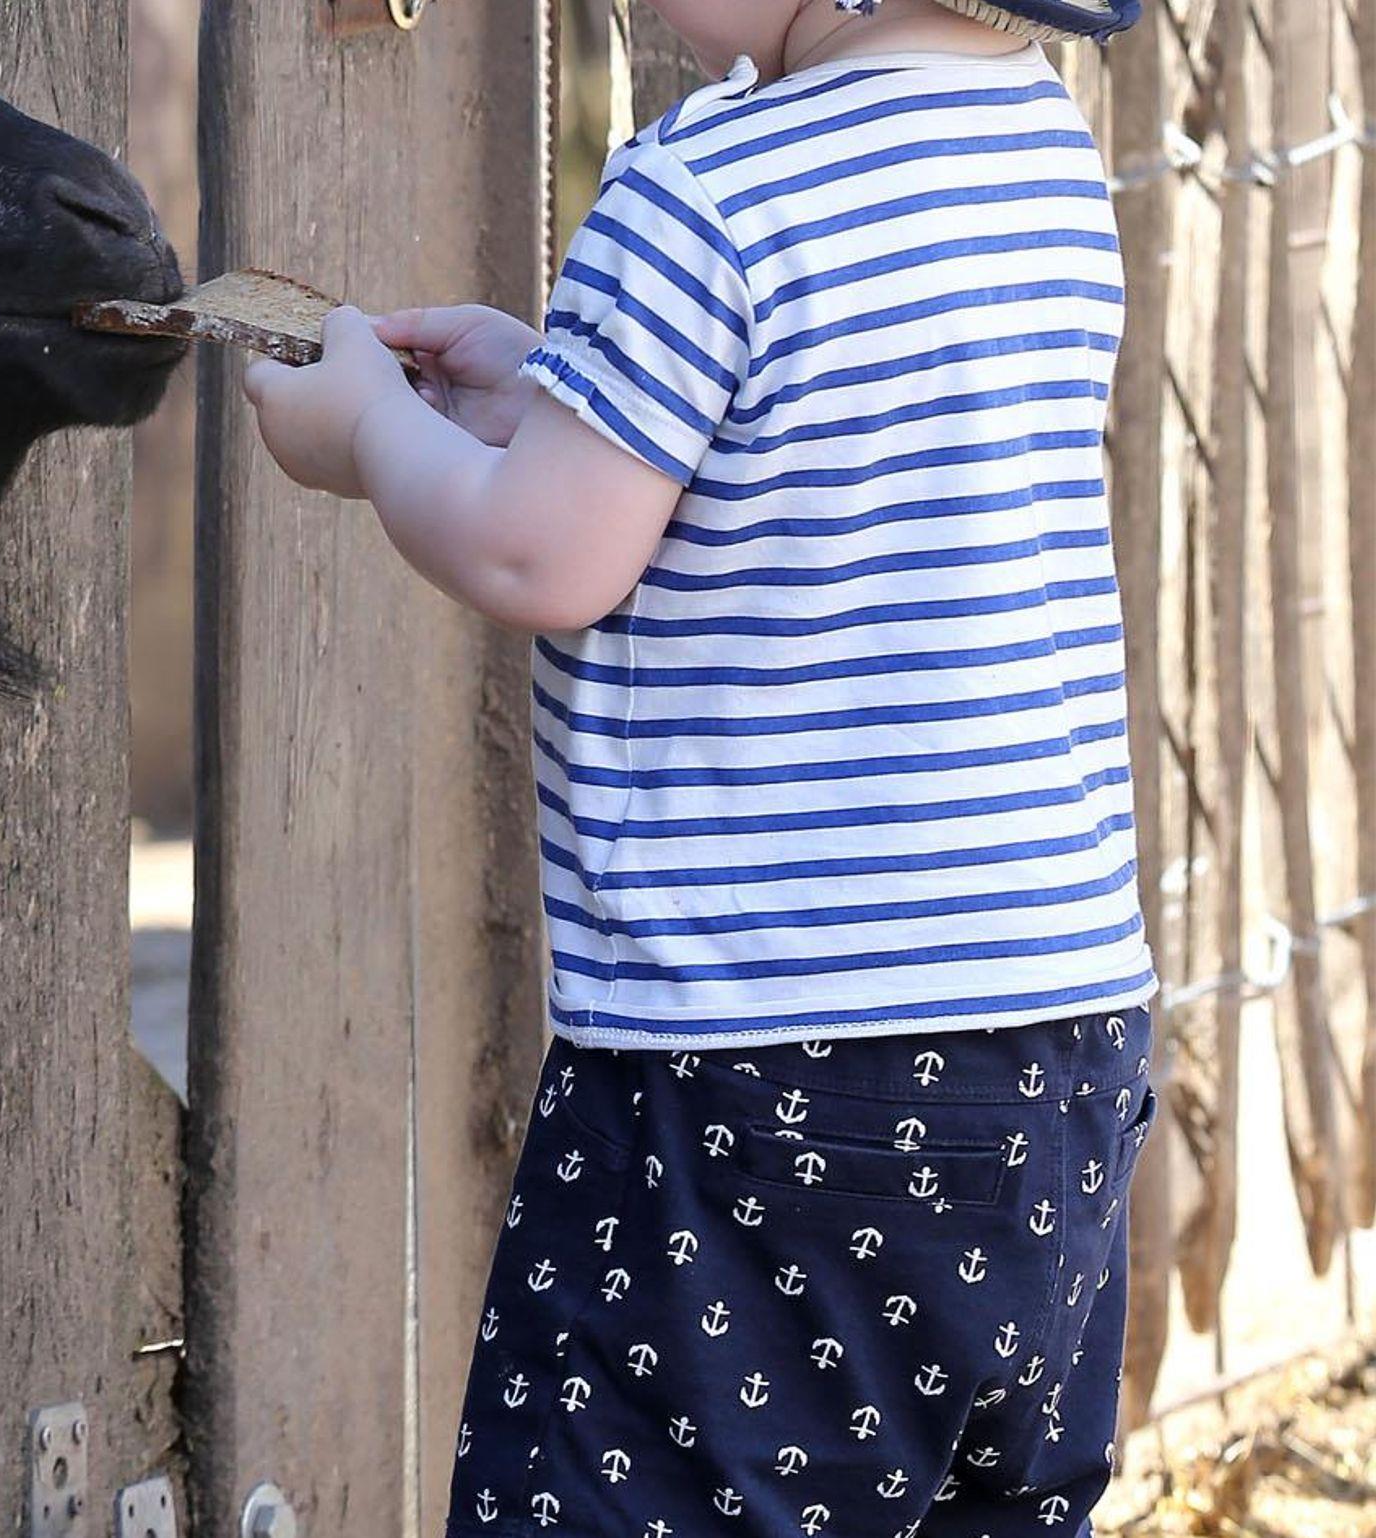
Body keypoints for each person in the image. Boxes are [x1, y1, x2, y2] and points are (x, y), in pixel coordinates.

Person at [243, 0, 1159, 1532]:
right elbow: (801, 449)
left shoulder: (709, 187)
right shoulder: (1041, 148)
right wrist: (561, 398)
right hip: (1053, 1066)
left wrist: (368, 436)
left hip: (764, 1081)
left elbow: (539, 551)